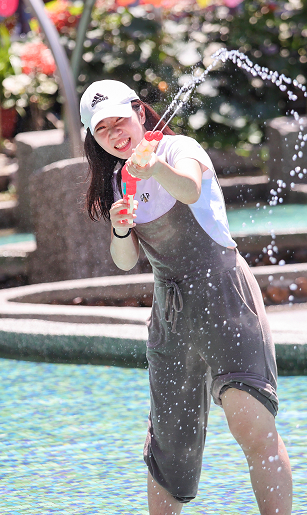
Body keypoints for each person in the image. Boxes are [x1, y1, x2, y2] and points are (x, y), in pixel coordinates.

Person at [81, 80, 293, 515]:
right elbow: (124, 262)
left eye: (120, 120)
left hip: (225, 299)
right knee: (169, 450)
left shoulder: (180, 151)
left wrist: (153, 166)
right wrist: (120, 227)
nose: (116, 134)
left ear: (140, 113)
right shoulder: (122, 183)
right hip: (173, 318)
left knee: (250, 422)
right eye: (103, 130)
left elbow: (190, 190)